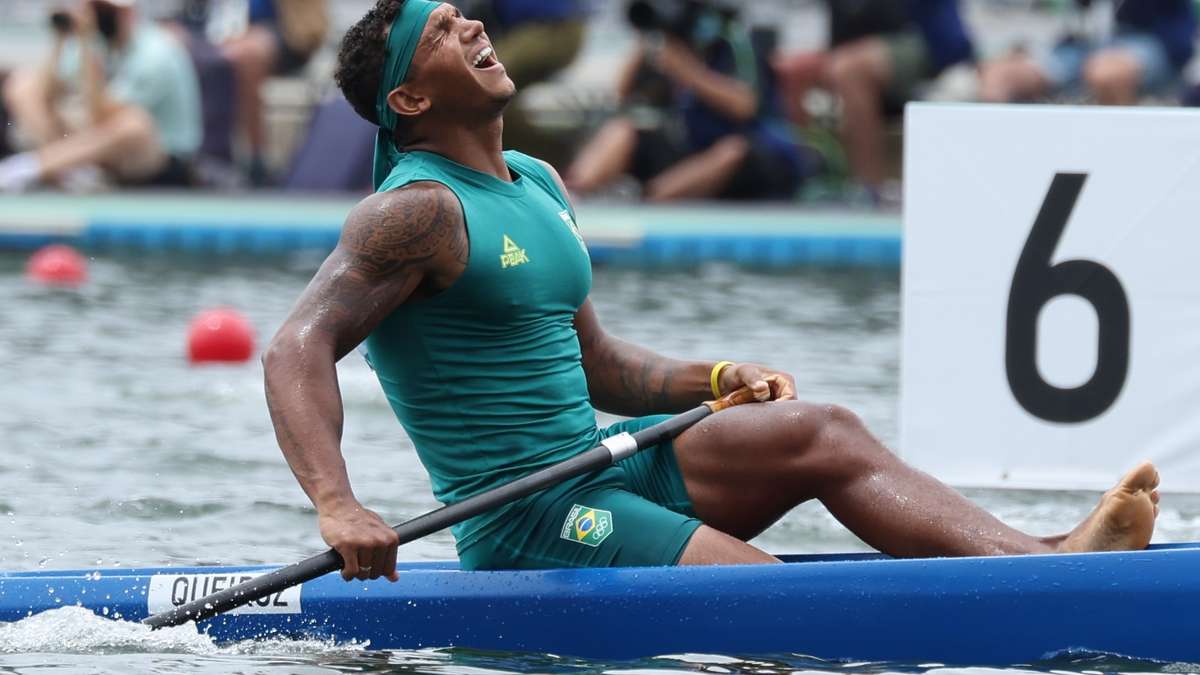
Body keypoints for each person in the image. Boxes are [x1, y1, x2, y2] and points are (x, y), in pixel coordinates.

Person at [263, 0, 1162, 581]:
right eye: (442, 33)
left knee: (824, 430)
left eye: (465, 16)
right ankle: (1031, 582)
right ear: (411, 100)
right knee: (766, 600)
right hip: (531, 512)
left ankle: (1046, 563)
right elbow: (296, 345)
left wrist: (717, 374)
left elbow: (601, 363)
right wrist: (338, 503)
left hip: (605, 456)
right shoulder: (414, 213)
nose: (470, 27)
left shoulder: (536, 179)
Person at [563, 2, 807, 202]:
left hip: (742, 154)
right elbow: (620, 95)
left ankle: (648, 201)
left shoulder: (732, 39)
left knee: (731, 151)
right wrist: (645, 41)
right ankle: (572, 194)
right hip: (687, 146)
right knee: (622, 129)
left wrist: (688, 72)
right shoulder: (667, 46)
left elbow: (744, 106)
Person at [774, 0, 974, 198]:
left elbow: (942, 28)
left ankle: (870, 190)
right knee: (792, 69)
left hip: (923, 40)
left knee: (849, 70)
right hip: (845, 48)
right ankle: (803, 176)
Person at [0, 0, 201, 193]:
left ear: (129, 13)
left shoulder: (157, 53)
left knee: (134, 124)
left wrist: (86, 48)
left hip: (160, 160)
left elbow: (103, 117)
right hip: (101, 149)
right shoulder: (92, 40)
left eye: (106, 10)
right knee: (23, 86)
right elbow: (47, 93)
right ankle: (67, 170)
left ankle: (31, 168)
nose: (99, 16)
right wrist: (60, 41)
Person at [979, 0, 1196, 105]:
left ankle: (1120, 157)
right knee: (999, 76)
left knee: (1105, 73)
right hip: (1077, 45)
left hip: (1150, 41)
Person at [459, 0, 587, 167]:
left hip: (552, 27)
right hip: (519, 29)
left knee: (484, 81)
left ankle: (555, 157)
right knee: (479, 86)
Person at [221, 0, 329, 185]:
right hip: (242, 33)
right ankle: (213, 151)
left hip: (291, 32)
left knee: (247, 56)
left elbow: (310, 28)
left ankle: (257, 160)